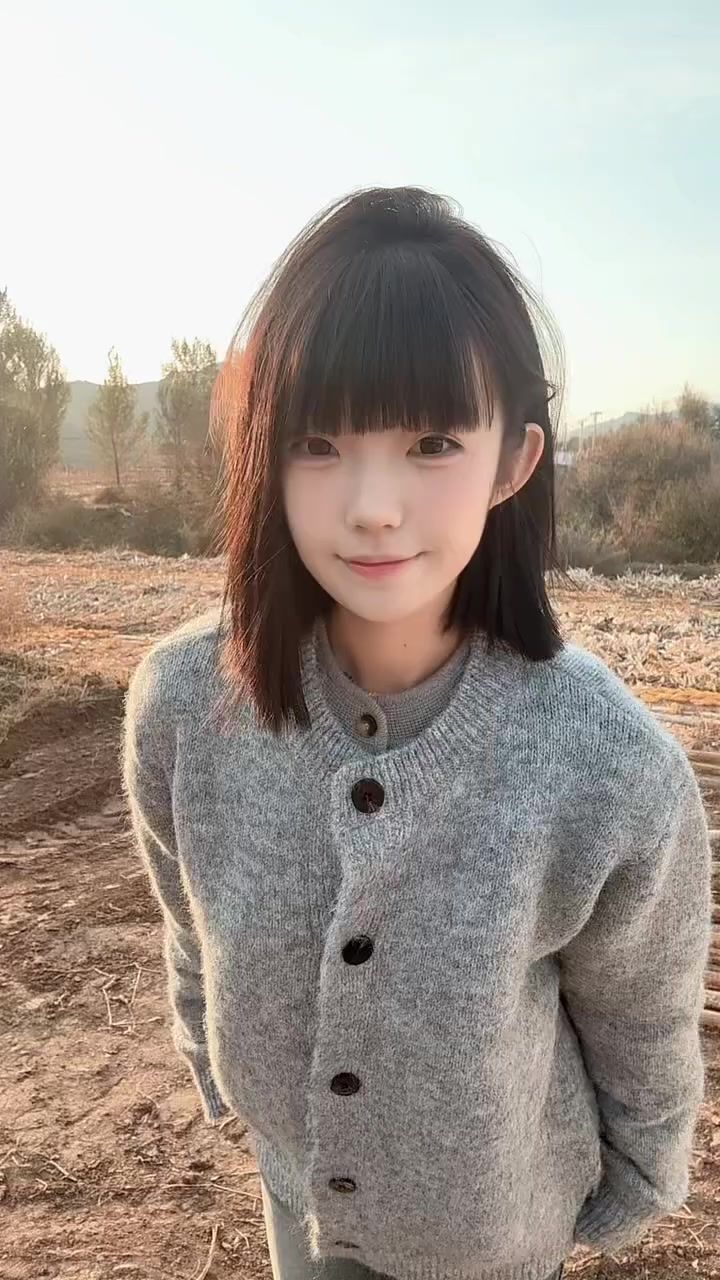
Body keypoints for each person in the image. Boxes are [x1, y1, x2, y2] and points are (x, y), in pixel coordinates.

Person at [121, 186, 713, 1280]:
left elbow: (644, 1017)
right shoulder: (186, 702)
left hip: (493, 1239)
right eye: (318, 442)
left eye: (433, 441)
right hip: (298, 1196)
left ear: (514, 460)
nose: (373, 505)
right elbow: (189, 919)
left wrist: (636, 1182)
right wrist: (219, 1067)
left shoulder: (610, 767)